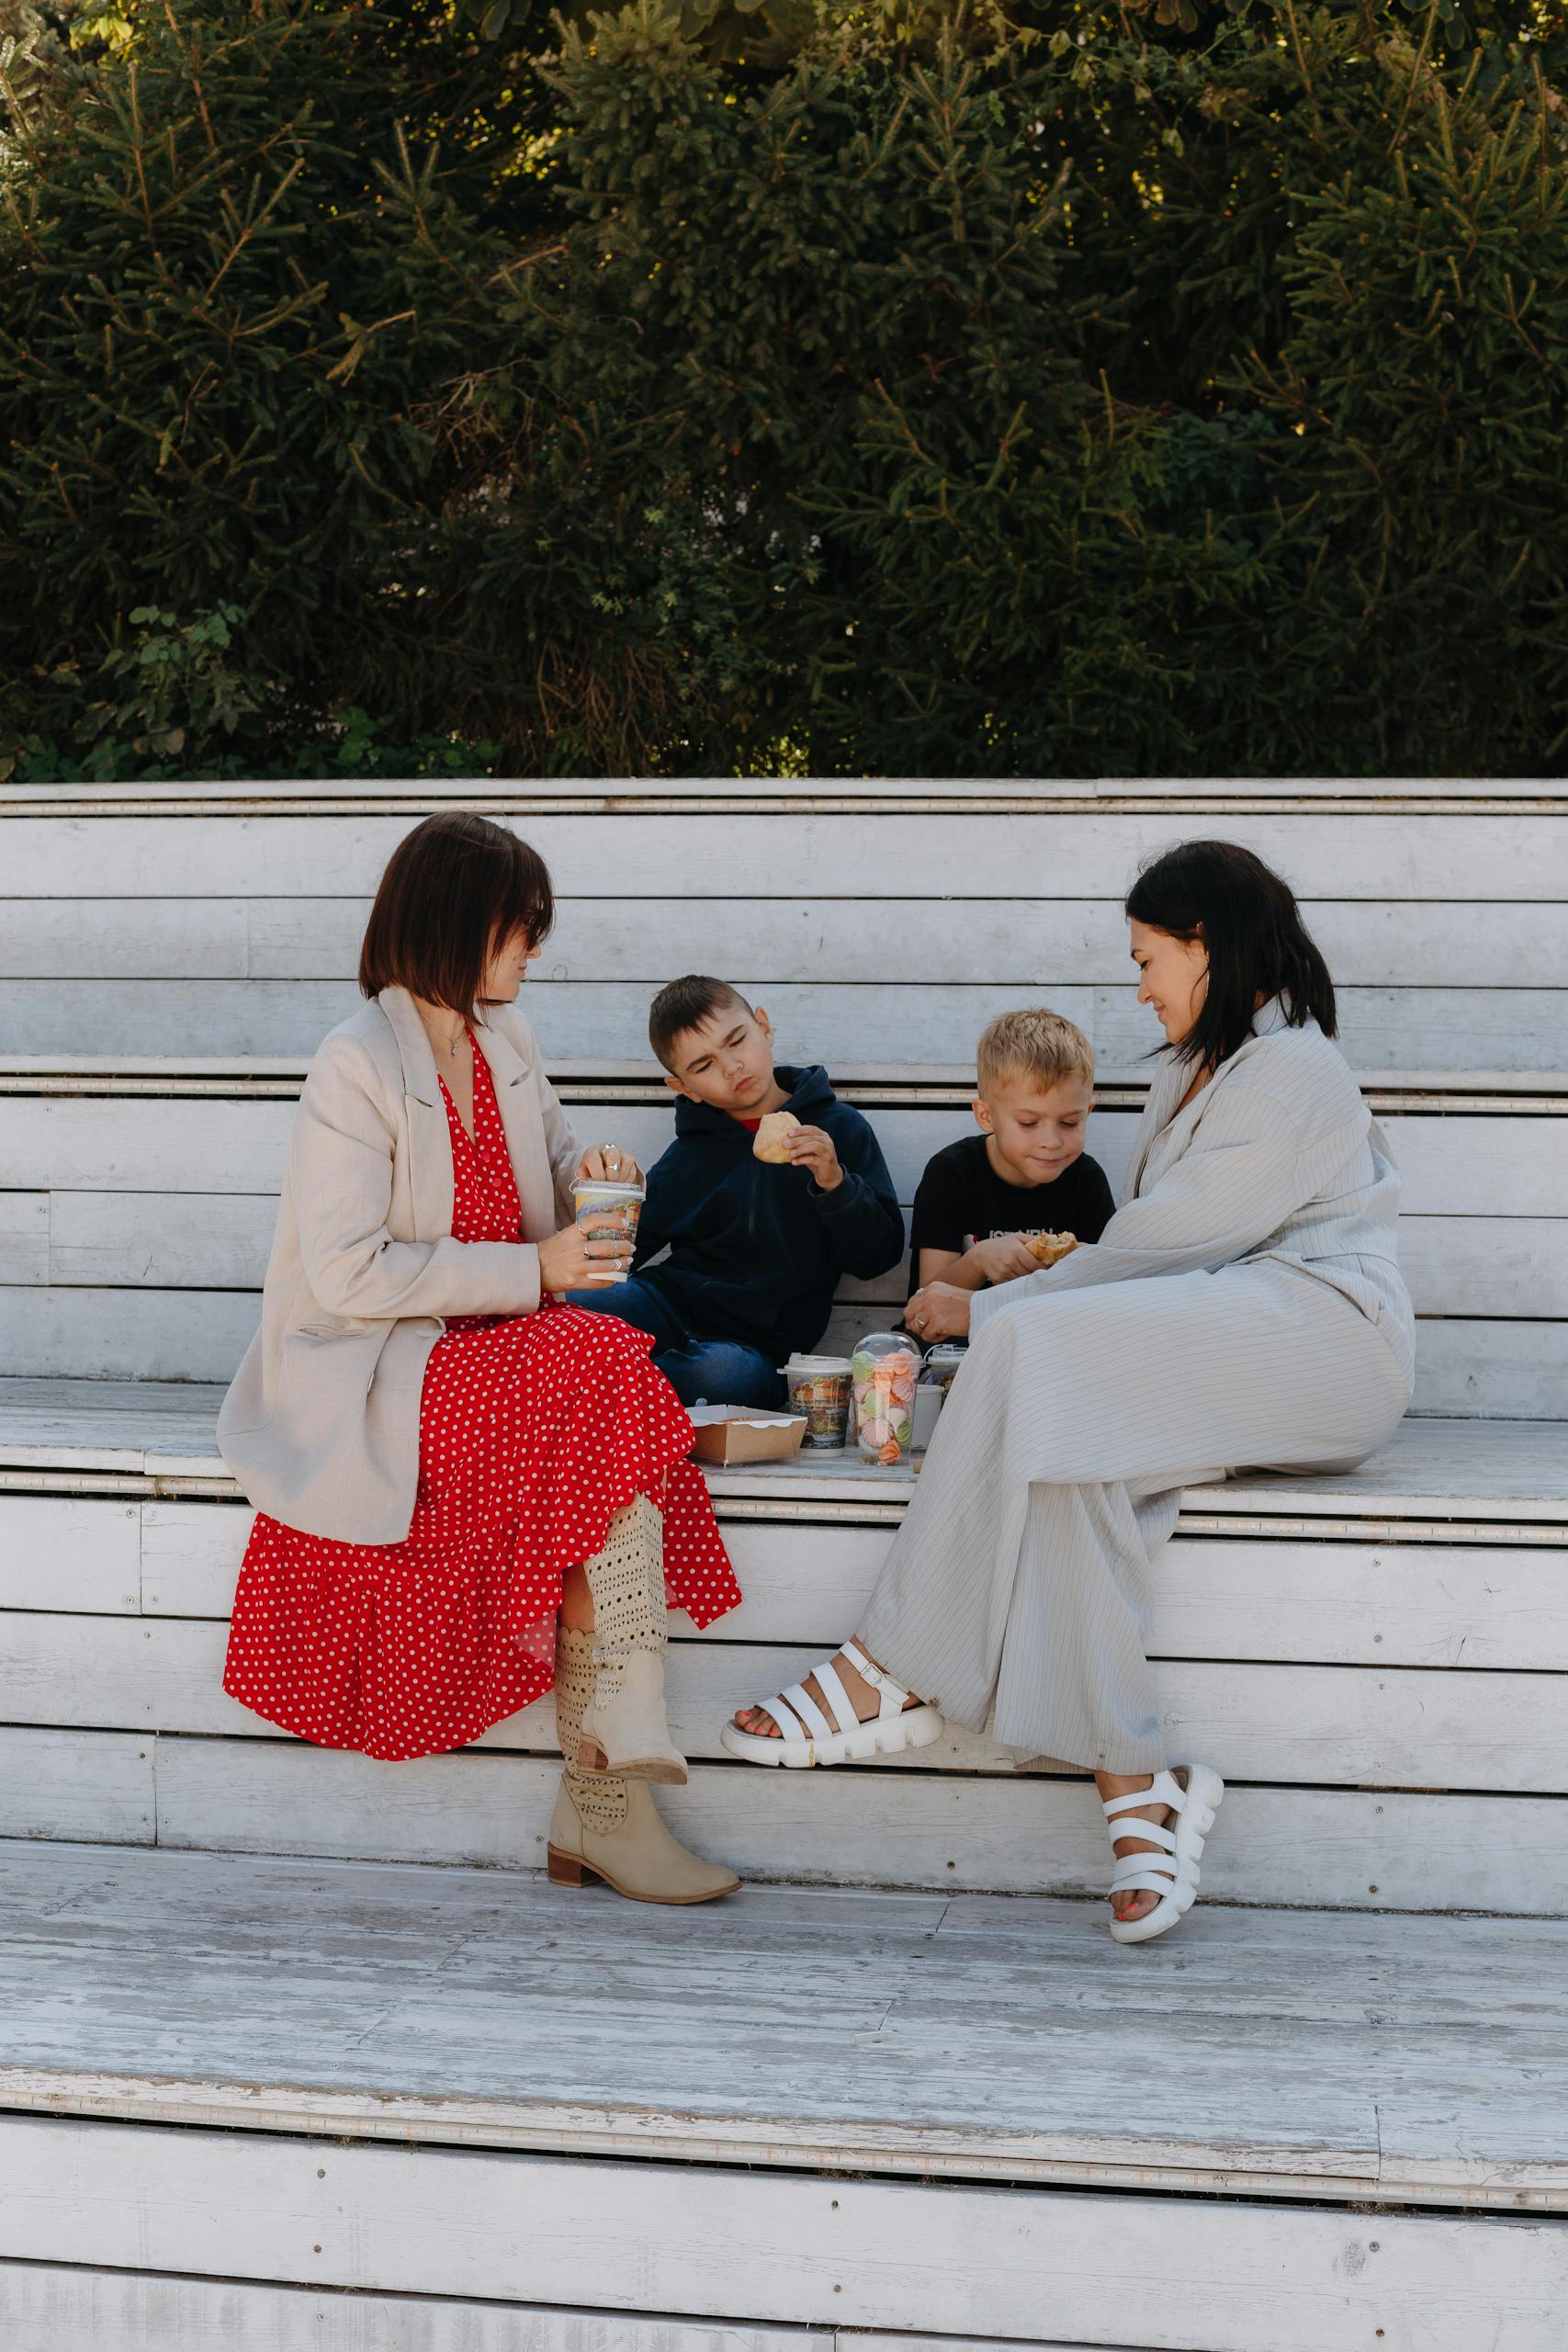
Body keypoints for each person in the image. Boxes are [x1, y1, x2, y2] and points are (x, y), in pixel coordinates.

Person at [722, 840, 1416, 1947]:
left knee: (1026, 1350)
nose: (1140, 985)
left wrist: (989, 1311)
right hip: (1227, 1334)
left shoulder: (1295, 1070)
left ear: (1208, 944)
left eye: (1150, 957)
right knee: (1062, 1468)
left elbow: (1165, 1242)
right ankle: (1139, 1785)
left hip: (1324, 1335)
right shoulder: (1197, 1067)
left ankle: (891, 1665)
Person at [217, 812, 743, 1906]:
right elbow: (353, 1272)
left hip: (502, 1355)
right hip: (381, 1367)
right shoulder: (354, 1061)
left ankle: (610, 1778)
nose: (534, 948)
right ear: (459, 924)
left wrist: (601, 1185)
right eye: (521, 925)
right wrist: (539, 1268)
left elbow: (547, 1200)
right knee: (609, 1368)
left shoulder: (508, 1040)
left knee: (607, 1385)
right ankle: (611, 1781)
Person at [562, 976, 905, 1407]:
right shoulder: (690, 1154)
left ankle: (610, 1383)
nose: (731, 1067)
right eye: (703, 1066)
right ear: (684, 1088)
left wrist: (836, 1184)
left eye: (737, 1041)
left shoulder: (837, 1132)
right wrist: (613, 1196)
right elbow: (622, 1255)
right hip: (668, 1307)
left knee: (722, 1376)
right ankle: (623, 1379)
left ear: (764, 1026)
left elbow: (878, 1257)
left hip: (756, 1347)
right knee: (583, 1300)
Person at [907, 1007, 1115, 1304]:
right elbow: (923, 1306)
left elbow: (1105, 1296)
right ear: (986, 1115)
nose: (1051, 1142)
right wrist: (978, 1260)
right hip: (955, 1348)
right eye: (1029, 1123)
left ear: (1088, 1112)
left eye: (1070, 1122)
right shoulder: (951, 1174)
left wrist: (1086, 1262)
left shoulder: (1086, 1180)